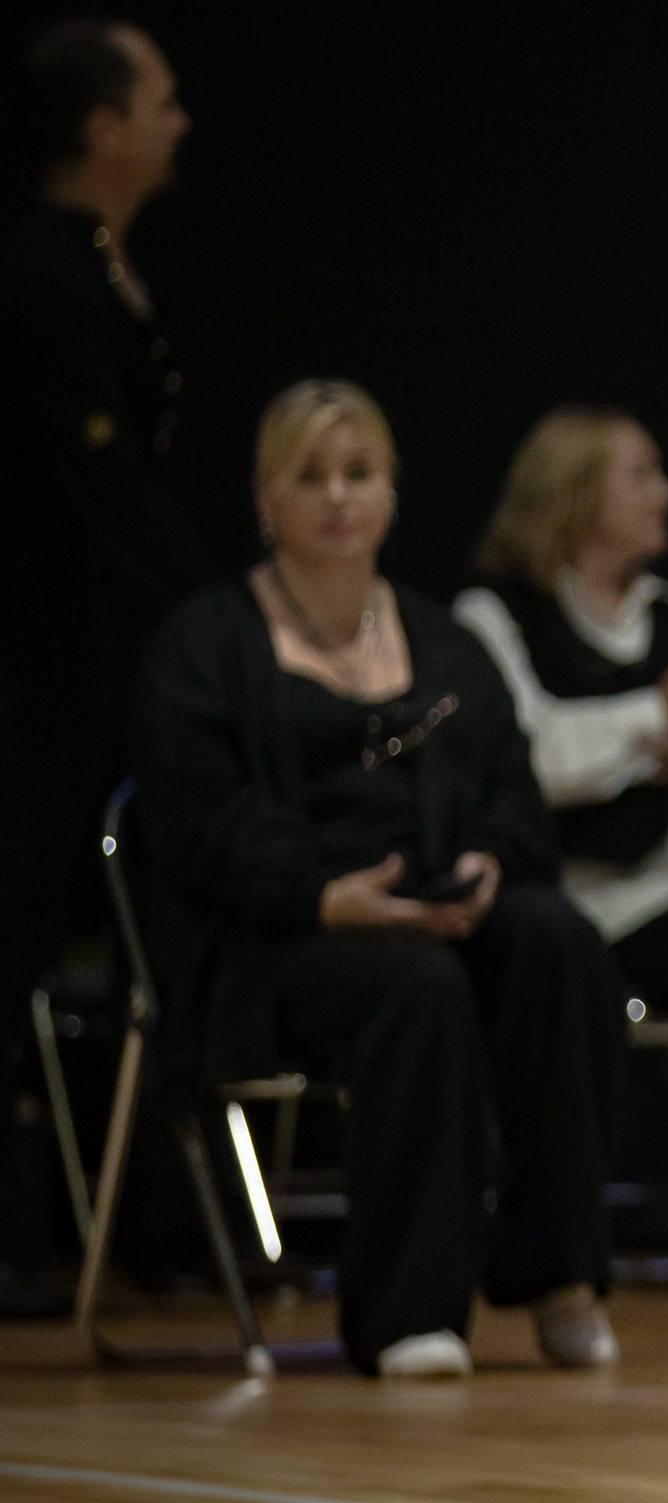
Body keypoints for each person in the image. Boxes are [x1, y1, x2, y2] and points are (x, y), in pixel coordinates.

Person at [131, 380, 626, 1378]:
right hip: (281, 937)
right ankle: (410, 1311)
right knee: (415, 984)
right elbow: (195, 822)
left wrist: (486, 862)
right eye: (309, 476)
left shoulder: (446, 645)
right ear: (266, 500)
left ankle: (558, 1269)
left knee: (553, 940)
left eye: (358, 474)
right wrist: (328, 896)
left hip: (431, 909)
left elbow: (511, 791)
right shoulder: (208, 644)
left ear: (392, 495)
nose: (337, 498)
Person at [453, 408, 668, 1257]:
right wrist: (654, 718)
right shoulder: (495, 618)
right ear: (575, 497)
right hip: (581, 910)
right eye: (642, 475)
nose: (667, 493)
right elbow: (526, 754)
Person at [1, 16, 202, 1152]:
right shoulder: (41, 280)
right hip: (44, 663)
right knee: (28, 911)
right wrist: (225, 617)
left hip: (108, 653)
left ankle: (154, 1209)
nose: (180, 123)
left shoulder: (105, 269)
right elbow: (99, 495)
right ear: (102, 128)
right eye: (161, 102)